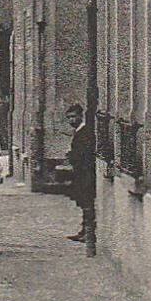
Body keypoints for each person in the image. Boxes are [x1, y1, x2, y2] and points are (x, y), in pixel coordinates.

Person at [65, 103, 95, 242]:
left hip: (86, 173)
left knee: (87, 202)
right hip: (80, 173)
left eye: (74, 117)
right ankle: (84, 230)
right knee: (83, 202)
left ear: (80, 116)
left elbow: (84, 154)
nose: (71, 120)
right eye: (69, 118)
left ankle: (88, 233)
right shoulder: (79, 132)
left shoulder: (85, 132)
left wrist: (71, 156)